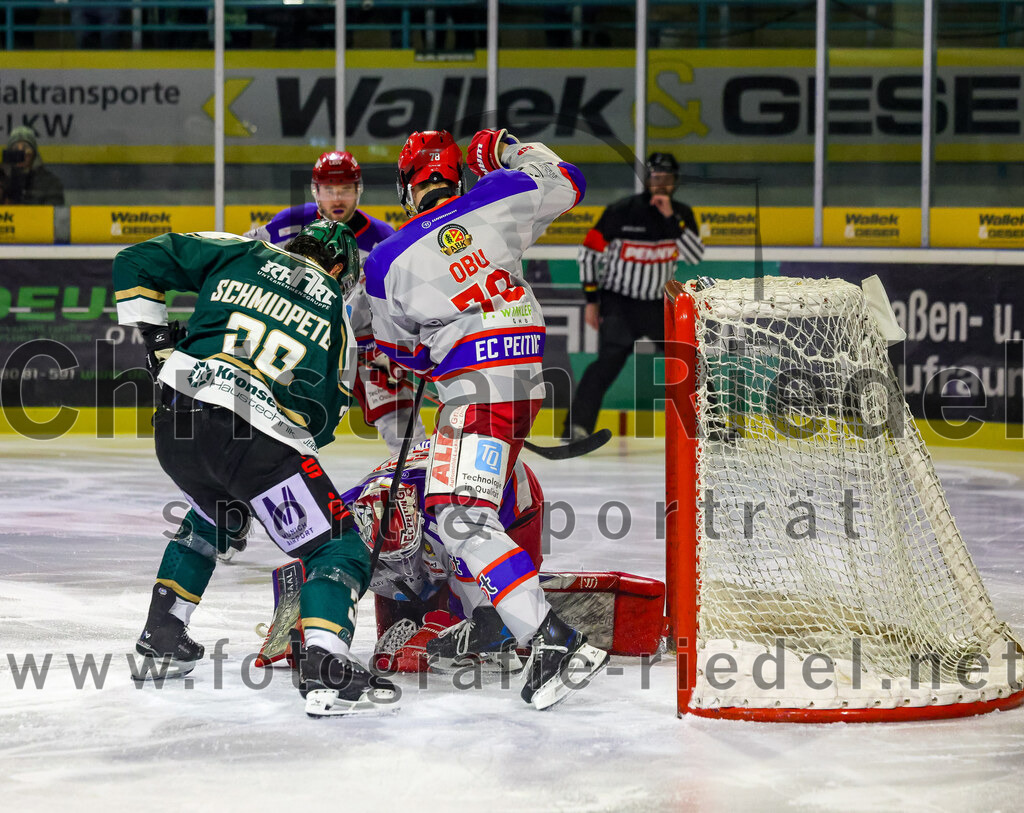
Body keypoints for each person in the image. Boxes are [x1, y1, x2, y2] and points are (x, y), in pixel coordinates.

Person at [364, 128, 608, 710]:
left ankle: (552, 640)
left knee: (458, 517)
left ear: (406, 188)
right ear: (457, 176)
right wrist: (503, 147)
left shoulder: (386, 258)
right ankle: (520, 627)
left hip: (475, 390)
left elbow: (401, 355)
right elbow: (568, 180)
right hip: (524, 381)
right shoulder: (498, 198)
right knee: (469, 511)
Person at [113, 220, 398, 717]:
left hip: (175, 427)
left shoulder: (242, 252)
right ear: (338, 269)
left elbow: (134, 261)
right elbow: (321, 423)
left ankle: (162, 635)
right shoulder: (337, 314)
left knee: (214, 512)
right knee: (337, 544)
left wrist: (160, 349)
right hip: (255, 445)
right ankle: (327, 665)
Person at [246, 151, 426, 456]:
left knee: (405, 431)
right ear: (316, 191)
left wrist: (395, 346)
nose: (337, 197)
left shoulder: (383, 237)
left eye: (345, 188)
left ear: (359, 190)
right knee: (279, 425)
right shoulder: (291, 224)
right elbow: (245, 256)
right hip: (305, 341)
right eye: (329, 189)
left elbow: (405, 299)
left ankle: (418, 481)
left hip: (369, 348)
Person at [344, 438, 544, 673]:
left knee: (490, 607)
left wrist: (456, 624)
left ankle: (533, 614)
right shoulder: (346, 515)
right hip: (436, 480)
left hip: (509, 494)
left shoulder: (447, 519)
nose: (406, 570)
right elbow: (318, 561)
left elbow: (472, 602)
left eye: (407, 557)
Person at [562, 152, 704, 442]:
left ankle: (709, 425)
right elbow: (588, 253)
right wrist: (592, 300)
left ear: (675, 182)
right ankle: (576, 427)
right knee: (605, 366)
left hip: (658, 306)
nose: (661, 184)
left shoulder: (681, 216)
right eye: (655, 177)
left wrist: (671, 218)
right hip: (619, 304)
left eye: (667, 178)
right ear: (647, 180)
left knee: (691, 361)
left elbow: (695, 254)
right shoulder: (621, 211)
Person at [1, 126, 65, 206]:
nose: (21, 152)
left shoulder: (50, 182)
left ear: (33, 153)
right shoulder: (3, 180)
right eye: (15, 148)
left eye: (25, 147)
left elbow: (52, 212)